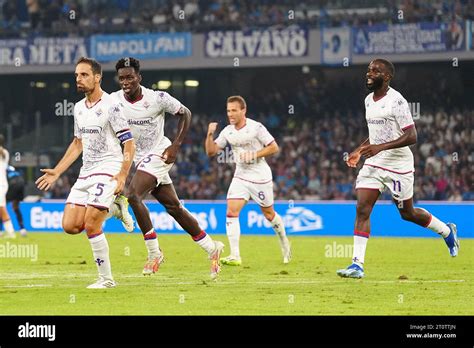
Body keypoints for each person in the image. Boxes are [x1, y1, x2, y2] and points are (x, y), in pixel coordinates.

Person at [337, 59, 460, 279]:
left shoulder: (397, 101)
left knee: (407, 213)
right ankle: (357, 265)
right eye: (368, 70)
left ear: (387, 77)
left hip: (398, 165)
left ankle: (447, 231)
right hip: (374, 163)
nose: (369, 73)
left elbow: (412, 136)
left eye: (375, 71)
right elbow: (377, 135)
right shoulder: (368, 100)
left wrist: (379, 148)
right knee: (362, 208)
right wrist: (359, 149)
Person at [111, 57, 224, 279]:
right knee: (173, 207)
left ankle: (154, 253)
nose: (125, 82)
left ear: (139, 78)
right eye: (122, 78)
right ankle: (212, 248)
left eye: (130, 77)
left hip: (161, 153)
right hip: (139, 158)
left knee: (133, 195)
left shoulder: (158, 98)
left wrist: (176, 144)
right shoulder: (114, 101)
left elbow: (186, 113)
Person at [35, 57, 136, 289]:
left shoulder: (112, 105)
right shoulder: (78, 108)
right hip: (86, 172)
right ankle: (115, 208)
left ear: (97, 77)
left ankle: (107, 279)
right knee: (71, 226)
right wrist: (58, 172)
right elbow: (77, 143)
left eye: (84, 75)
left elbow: (129, 143)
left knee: (91, 224)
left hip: (109, 168)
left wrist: (122, 175)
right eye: (77, 76)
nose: (78, 79)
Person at [205, 95, 291, 266]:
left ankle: (285, 243)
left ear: (243, 110)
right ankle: (235, 255)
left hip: (260, 177)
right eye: (228, 110)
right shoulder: (227, 131)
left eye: (234, 110)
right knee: (231, 212)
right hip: (241, 176)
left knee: (269, 215)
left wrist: (254, 154)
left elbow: (274, 147)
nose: (230, 114)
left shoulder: (256, 128)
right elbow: (211, 152)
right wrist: (209, 134)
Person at [0, 134, 16, 239]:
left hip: (0, 184)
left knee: (1, 207)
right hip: (3, 183)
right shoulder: (5, 152)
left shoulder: (3, 153)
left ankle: (11, 233)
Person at [6, 165, 27, 237]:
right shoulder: (13, 170)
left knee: (1, 207)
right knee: (16, 207)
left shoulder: (3, 169)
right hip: (21, 183)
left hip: (12, 184)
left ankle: (6, 230)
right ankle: (22, 229)